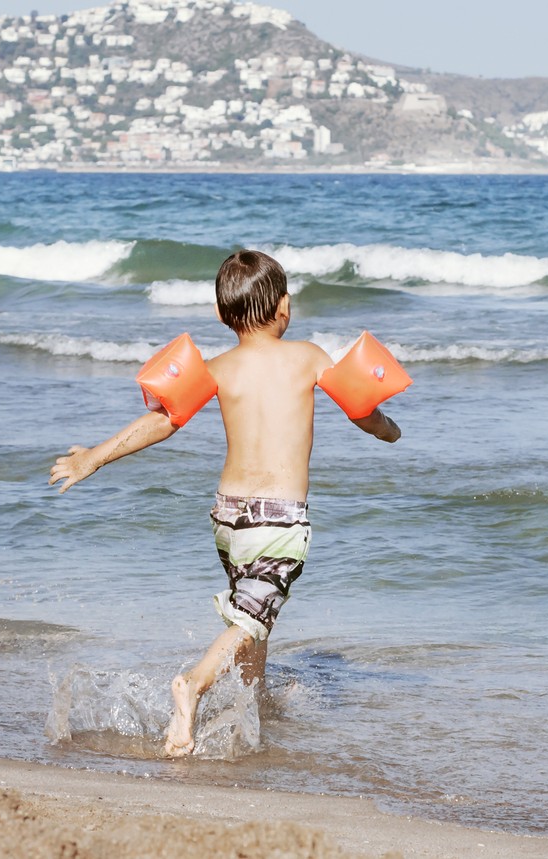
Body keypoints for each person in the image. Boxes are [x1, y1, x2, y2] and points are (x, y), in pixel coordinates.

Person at [48, 249, 401, 757]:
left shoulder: (216, 368)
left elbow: (164, 421)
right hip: (279, 519)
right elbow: (361, 410)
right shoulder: (309, 357)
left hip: (227, 518)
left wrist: (94, 458)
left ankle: (251, 702)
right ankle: (192, 684)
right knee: (250, 619)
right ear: (284, 306)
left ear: (220, 315)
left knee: (254, 617)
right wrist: (389, 430)